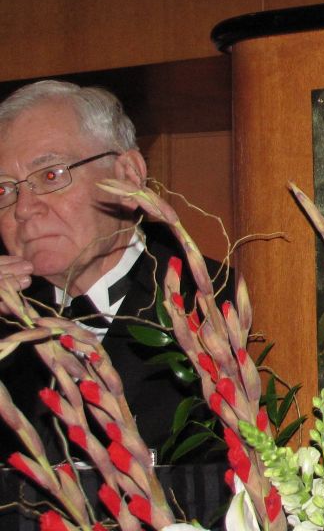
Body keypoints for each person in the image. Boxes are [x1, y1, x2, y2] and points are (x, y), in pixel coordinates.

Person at [0, 80, 222, 460]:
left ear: (128, 176)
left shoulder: (217, 304)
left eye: (51, 176)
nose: (23, 208)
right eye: (4, 190)